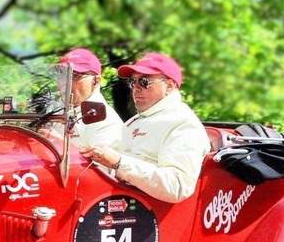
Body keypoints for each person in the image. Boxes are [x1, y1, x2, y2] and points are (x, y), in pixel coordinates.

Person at [80, 52, 210, 203]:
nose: (135, 88)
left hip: (153, 217)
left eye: (144, 82)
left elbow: (177, 186)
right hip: (125, 208)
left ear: (169, 85)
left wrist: (119, 162)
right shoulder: (133, 122)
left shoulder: (183, 124)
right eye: (132, 82)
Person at [58, 48, 123, 149]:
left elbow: (98, 163)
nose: (63, 82)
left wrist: (56, 141)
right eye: (61, 74)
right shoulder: (53, 112)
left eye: (74, 75)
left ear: (96, 81)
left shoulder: (107, 122)